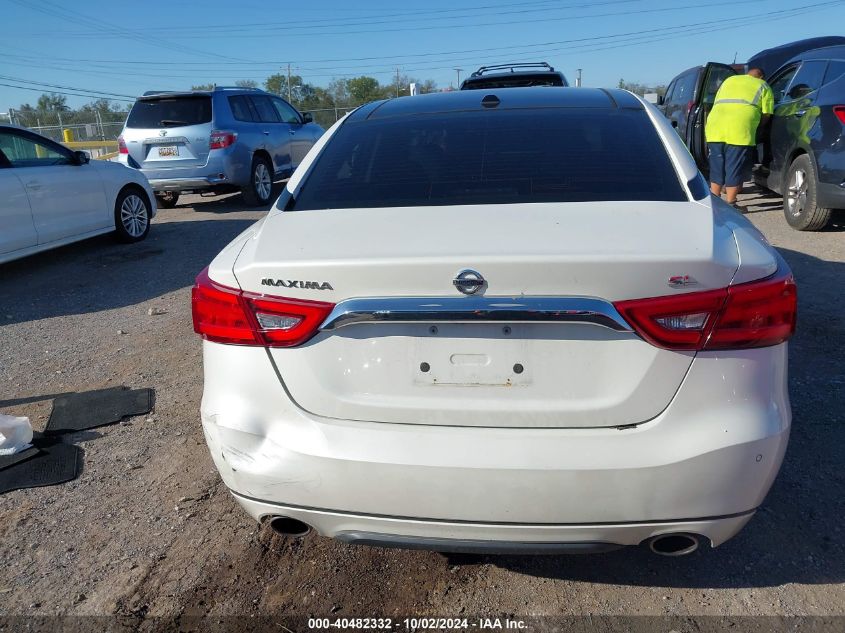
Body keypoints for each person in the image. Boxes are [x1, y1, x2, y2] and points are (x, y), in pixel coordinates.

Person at [704, 68, 774, 207]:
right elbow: (767, 114)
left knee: (717, 164)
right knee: (734, 166)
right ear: (761, 77)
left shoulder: (728, 80)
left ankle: (715, 200)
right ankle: (731, 202)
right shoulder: (763, 85)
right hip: (740, 130)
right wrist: (759, 127)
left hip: (715, 127)